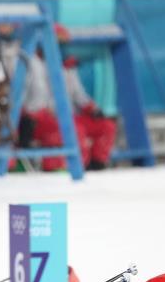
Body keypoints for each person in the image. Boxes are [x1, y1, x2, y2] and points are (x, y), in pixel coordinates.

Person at [17, 24, 117, 171]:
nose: (60, 47)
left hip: (67, 115)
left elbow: (78, 94)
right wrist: (30, 113)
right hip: (40, 117)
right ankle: (74, 168)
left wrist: (91, 107)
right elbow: (28, 96)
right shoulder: (33, 64)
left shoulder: (67, 66)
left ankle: (96, 165)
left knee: (106, 126)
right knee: (74, 130)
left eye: (63, 43)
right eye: (56, 42)